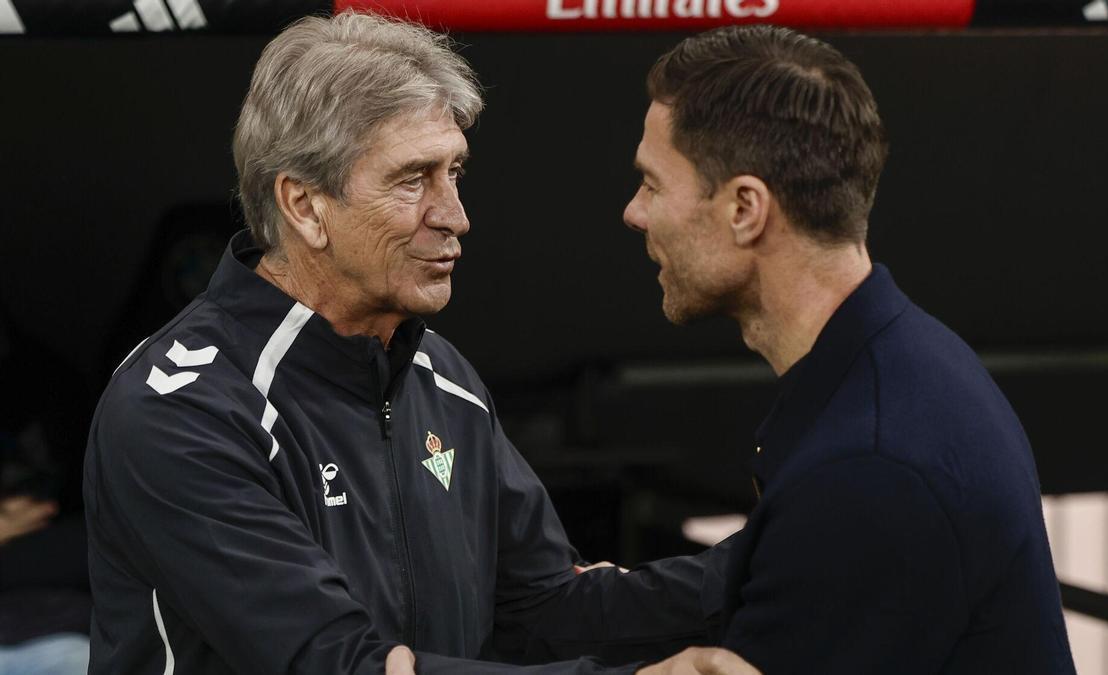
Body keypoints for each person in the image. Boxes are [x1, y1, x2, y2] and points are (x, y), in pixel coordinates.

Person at [83, 13, 757, 675]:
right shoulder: (182, 409)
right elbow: (342, 664)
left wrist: (764, 567)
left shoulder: (443, 376)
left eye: (454, 172)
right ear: (304, 206)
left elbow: (542, 609)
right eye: (413, 179)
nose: (455, 217)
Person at [623, 26, 1076, 674]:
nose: (634, 213)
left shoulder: (869, 468)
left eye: (652, 184)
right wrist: (586, 598)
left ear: (745, 208)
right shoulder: (908, 365)